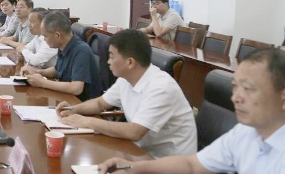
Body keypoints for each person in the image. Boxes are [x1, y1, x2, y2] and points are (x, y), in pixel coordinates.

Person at [99, 48, 285, 174]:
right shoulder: (247, 132)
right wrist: (135, 167)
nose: (236, 97)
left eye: (248, 89)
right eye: (235, 87)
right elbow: (192, 165)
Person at [56, 29, 196, 158]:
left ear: (130, 62)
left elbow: (134, 132)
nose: (108, 62)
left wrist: (88, 122)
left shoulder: (161, 88)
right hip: (140, 152)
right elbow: (100, 103)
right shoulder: (126, 79)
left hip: (170, 164)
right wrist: (73, 109)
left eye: (112, 57)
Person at [24, 11, 101, 101]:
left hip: (81, 103)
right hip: (66, 99)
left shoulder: (81, 50)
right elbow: (57, 70)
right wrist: (38, 72)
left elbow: (76, 88)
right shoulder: (63, 45)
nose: (44, 40)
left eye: (45, 36)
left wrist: (42, 82)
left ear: (57, 35)